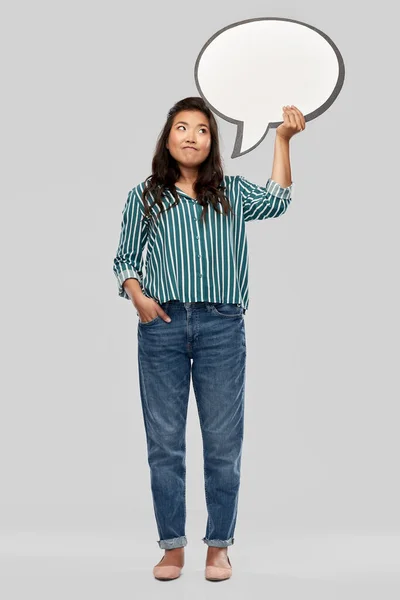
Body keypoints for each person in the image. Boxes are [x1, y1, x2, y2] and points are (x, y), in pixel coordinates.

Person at [113, 97, 305, 581]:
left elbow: (278, 200)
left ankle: (218, 546)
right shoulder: (146, 196)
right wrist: (137, 296)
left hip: (222, 325)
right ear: (167, 137)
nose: (191, 136)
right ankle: (172, 548)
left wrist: (281, 141)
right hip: (162, 325)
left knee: (222, 442)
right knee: (165, 443)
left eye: (202, 129)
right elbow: (125, 260)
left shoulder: (231, 192)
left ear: (212, 142)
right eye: (182, 127)